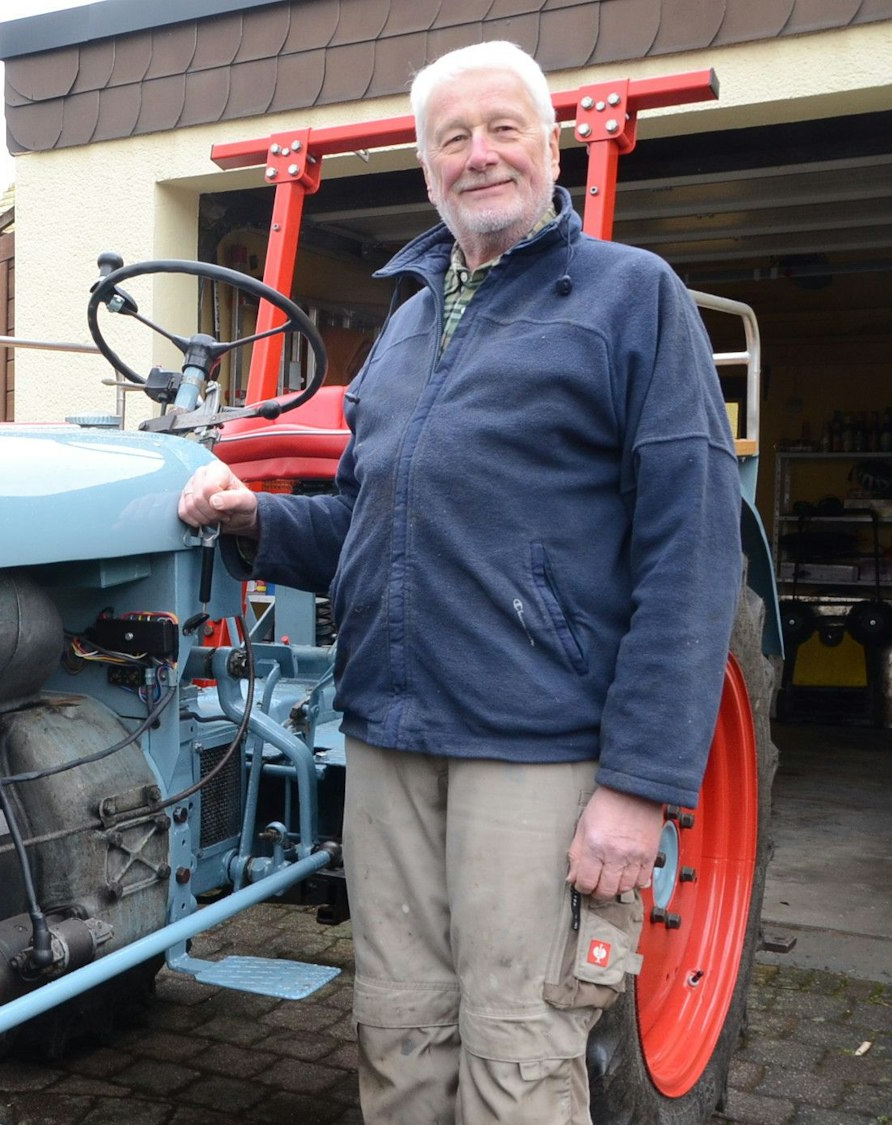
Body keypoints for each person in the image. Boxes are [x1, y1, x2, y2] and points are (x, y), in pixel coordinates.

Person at [177, 40, 742, 1124]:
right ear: (427, 169)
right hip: (389, 739)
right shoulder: (400, 326)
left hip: (533, 751)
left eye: (501, 130)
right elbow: (367, 520)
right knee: (397, 1036)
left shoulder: (631, 300)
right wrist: (258, 521)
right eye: (452, 139)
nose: (478, 156)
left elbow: (691, 554)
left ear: (548, 145)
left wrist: (638, 785)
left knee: (517, 1052)